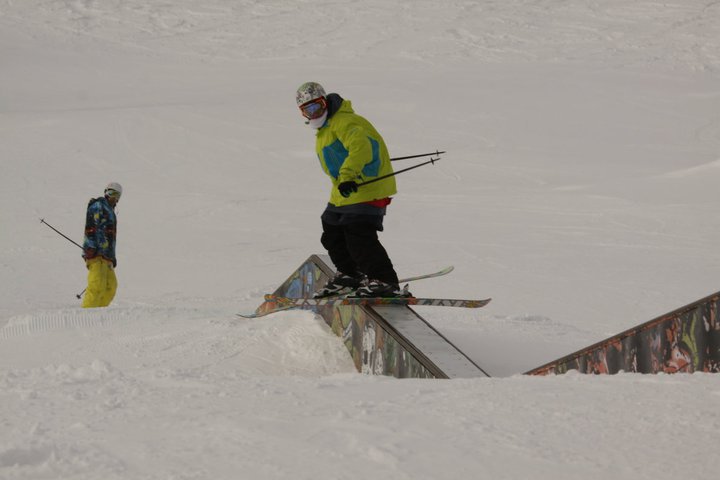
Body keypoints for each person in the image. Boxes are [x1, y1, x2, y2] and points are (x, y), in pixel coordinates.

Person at [295, 82, 410, 298]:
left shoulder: (345, 122)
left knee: (358, 234)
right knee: (331, 230)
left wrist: (348, 175)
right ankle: (351, 274)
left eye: (317, 106)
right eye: (308, 110)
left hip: (365, 186)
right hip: (345, 191)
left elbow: (360, 147)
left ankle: (384, 280)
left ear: (325, 102)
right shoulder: (325, 128)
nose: (314, 113)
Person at [81, 182, 121, 308]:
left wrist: (112, 257)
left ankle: (98, 312)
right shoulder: (98, 205)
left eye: (116, 194)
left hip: (107, 255)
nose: (113, 197)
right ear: (105, 192)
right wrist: (91, 246)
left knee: (110, 286)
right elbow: (92, 225)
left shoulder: (111, 212)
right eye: (110, 192)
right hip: (96, 252)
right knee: (97, 285)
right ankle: (87, 313)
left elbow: (111, 237)